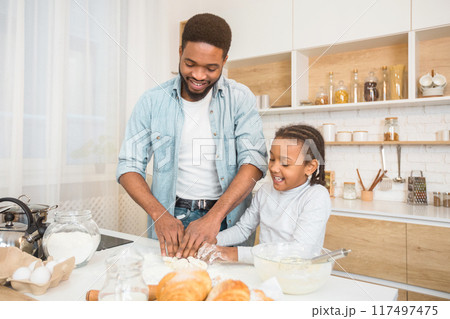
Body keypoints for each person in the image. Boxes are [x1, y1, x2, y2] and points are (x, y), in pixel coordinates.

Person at [116, 13, 267, 258]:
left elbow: (253, 162)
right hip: (172, 221)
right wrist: (160, 214)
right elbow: (128, 166)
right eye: (190, 64)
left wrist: (214, 217)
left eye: (210, 68)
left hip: (229, 221)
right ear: (180, 52)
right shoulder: (152, 101)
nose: (198, 75)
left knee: (229, 293)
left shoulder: (240, 98)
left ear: (225, 60)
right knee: (175, 290)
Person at [198, 124, 331, 264]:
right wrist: (211, 240)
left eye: (285, 163)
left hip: (297, 275)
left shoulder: (316, 196)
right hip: (266, 269)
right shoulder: (265, 191)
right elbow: (243, 229)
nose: (273, 168)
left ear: (310, 167)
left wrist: (234, 253)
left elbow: (297, 251)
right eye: (272, 159)